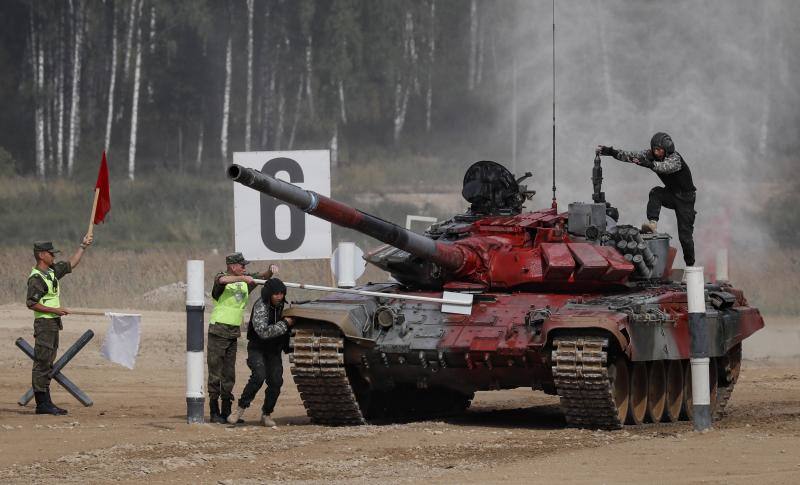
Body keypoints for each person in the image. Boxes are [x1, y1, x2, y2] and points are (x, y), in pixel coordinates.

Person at [598, 132, 697, 266]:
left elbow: (663, 168)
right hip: (671, 194)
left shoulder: (675, 159)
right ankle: (652, 223)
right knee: (655, 192)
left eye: (660, 150)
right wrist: (611, 152)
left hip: (686, 198)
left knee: (685, 237)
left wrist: (648, 164)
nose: (657, 153)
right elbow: (630, 156)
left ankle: (690, 267)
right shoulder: (650, 155)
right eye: (655, 149)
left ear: (667, 150)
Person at [26, 235, 93, 415]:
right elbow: (31, 303)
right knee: (42, 362)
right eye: (50, 254)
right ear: (41, 255)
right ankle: (42, 404)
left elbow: (71, 264)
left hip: (53, 323)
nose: (53, 257)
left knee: (48, 361)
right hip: (44, 324)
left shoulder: (52, 271)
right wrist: (55, 310)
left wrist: (83, 246)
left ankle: (46, 402)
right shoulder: (36, 278)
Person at [207, 253, 277, 424]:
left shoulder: (245, 281)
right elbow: (221, 281)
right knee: (215, 373)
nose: (244, 268)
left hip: (232, 333)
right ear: (232, 266)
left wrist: (270, 271)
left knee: (229, 374)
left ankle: (227, 411)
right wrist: (243, 278)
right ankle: (214, 411)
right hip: (218, 331)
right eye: (241, 265)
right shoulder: (222, 278)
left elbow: (261, 277)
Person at [228, 278, 294, 427]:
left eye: (282, 293)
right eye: (276, 294)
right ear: (269, 294)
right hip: (257, 348)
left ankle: (266, 413)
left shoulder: (284, 307)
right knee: (259, 376)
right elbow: (263, 332)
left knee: (276, 381)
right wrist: (285, 324)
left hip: (274, 350)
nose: (279, 297)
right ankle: (240, 409)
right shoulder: (261, 306)